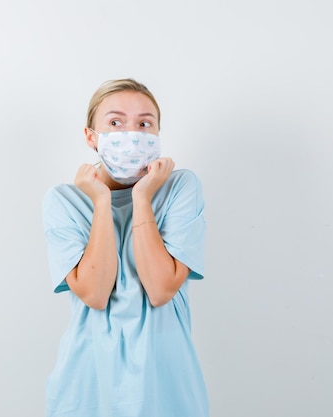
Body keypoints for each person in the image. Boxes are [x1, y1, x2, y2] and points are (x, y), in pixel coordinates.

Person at [42, 78, 209, 417]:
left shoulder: (179, 188)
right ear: (92, 137)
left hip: (166, 387)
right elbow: (94, 293)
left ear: (157, 135)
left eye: (144, 123)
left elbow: (161, 289)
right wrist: (101, 203)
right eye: (116, 122)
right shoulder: (65, 200)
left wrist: (142, 198)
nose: (132, 134)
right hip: (87, 386)